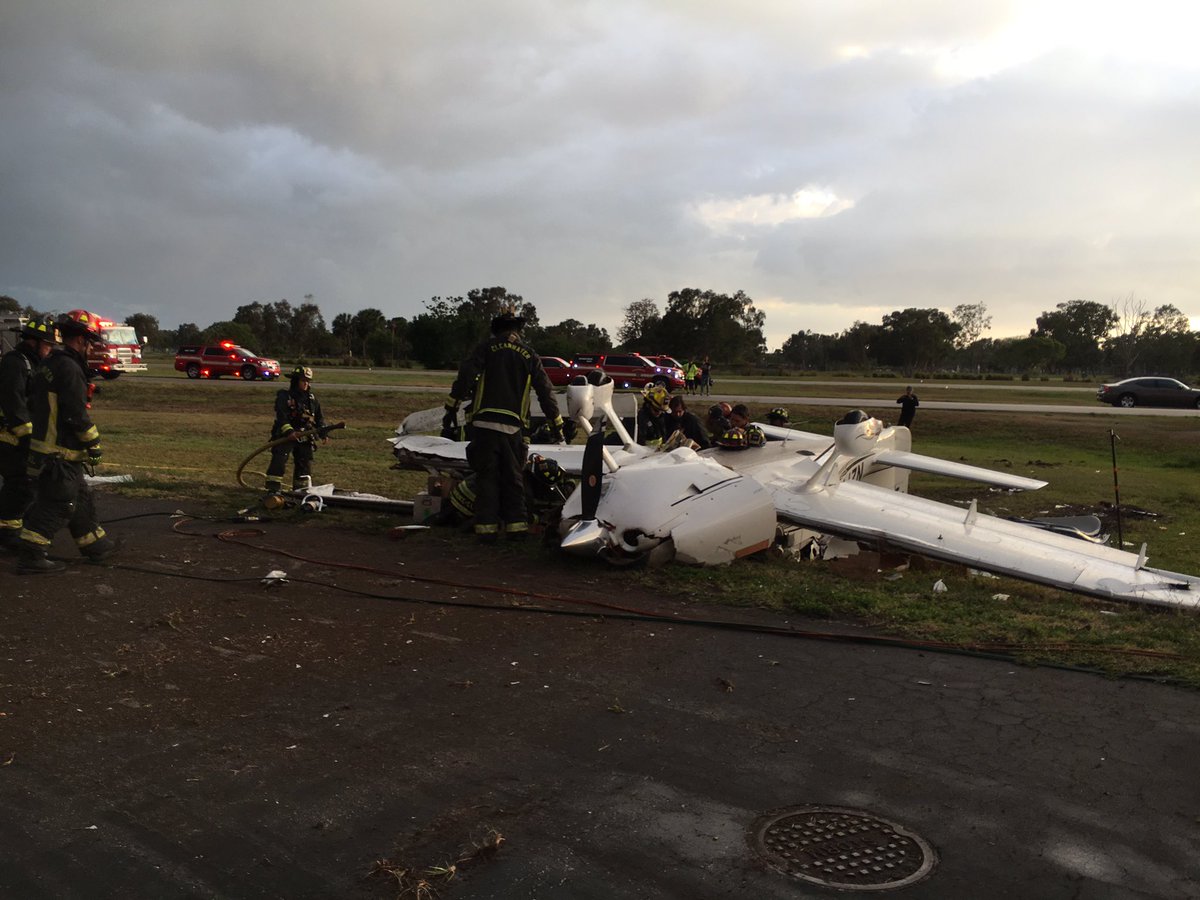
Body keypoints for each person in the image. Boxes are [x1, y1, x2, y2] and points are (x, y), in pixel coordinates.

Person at [444, 310, 563, 542]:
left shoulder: (486, 348)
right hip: (513, 428)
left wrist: (452, 406)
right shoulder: (529, 355)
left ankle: (486, 531)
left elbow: (466, 375)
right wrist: (556, 424)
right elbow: (546, 392)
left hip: (484, 425)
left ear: (496, 329)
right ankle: (516, 530)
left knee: (486, 478)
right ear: (517, 330)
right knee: (513, 479)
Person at [16, 310, 115, 573]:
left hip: (47, 448)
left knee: (80, 499)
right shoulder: (69, 368)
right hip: (59, 451)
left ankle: (97, 546)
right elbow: (75, 413)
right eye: (90, 341)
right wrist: (93, 444)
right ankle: (31, 554)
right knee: (60, 503)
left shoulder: (49, 364)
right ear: (81, 340)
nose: (91, 347)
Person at [0, 318, 59, 549]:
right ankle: (7, 532)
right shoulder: (15, 363)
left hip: (21, 436)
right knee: (19, 483)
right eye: (47, 344)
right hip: (9, 436)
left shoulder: (31, 363)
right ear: (33, 342)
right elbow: (13, 401)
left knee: (25, 483)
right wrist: (26, 435)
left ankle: (14, 527)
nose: (50, 349)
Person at [265, 366, 329, 494]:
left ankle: (300, 490)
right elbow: (282, 417)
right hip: (285, 434)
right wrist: (290, 432)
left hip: (305, 435)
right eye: (303, 380)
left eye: (308, 381)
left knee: (304, 462)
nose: (306, 383)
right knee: (279, 459)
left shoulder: (312, 399)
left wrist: (323, 433)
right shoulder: (284, 397)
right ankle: (273, 489)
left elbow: (319, 417)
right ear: (295, 381)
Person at [636, 383, 672, 447]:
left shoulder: (662, 416)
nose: (659, 413)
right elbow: (640, 440)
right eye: (656, 410)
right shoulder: (641, 418)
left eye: (662, 411)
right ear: (648, 405)